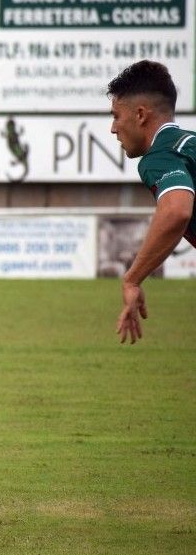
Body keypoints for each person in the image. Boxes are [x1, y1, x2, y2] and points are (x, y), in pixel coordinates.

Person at [106, 60, 196, 344]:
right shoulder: (189, 143)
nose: (113, 128)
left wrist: (132, 279)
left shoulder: (159, 157)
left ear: (141, 115)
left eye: (116, 116)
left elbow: (176, 210)